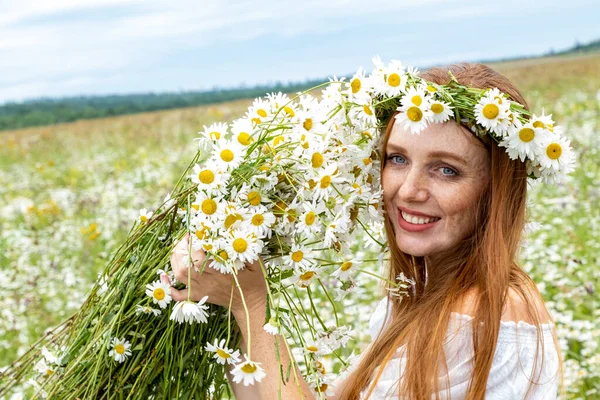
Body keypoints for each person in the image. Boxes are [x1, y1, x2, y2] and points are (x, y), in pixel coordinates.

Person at [163, 62, 563, 399]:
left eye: (446, 169)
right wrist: (221, 291)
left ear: (497, 190)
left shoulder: (486, 321)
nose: (408, 191)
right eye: (397, 158)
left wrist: (251, 306)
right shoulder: (419, 296)